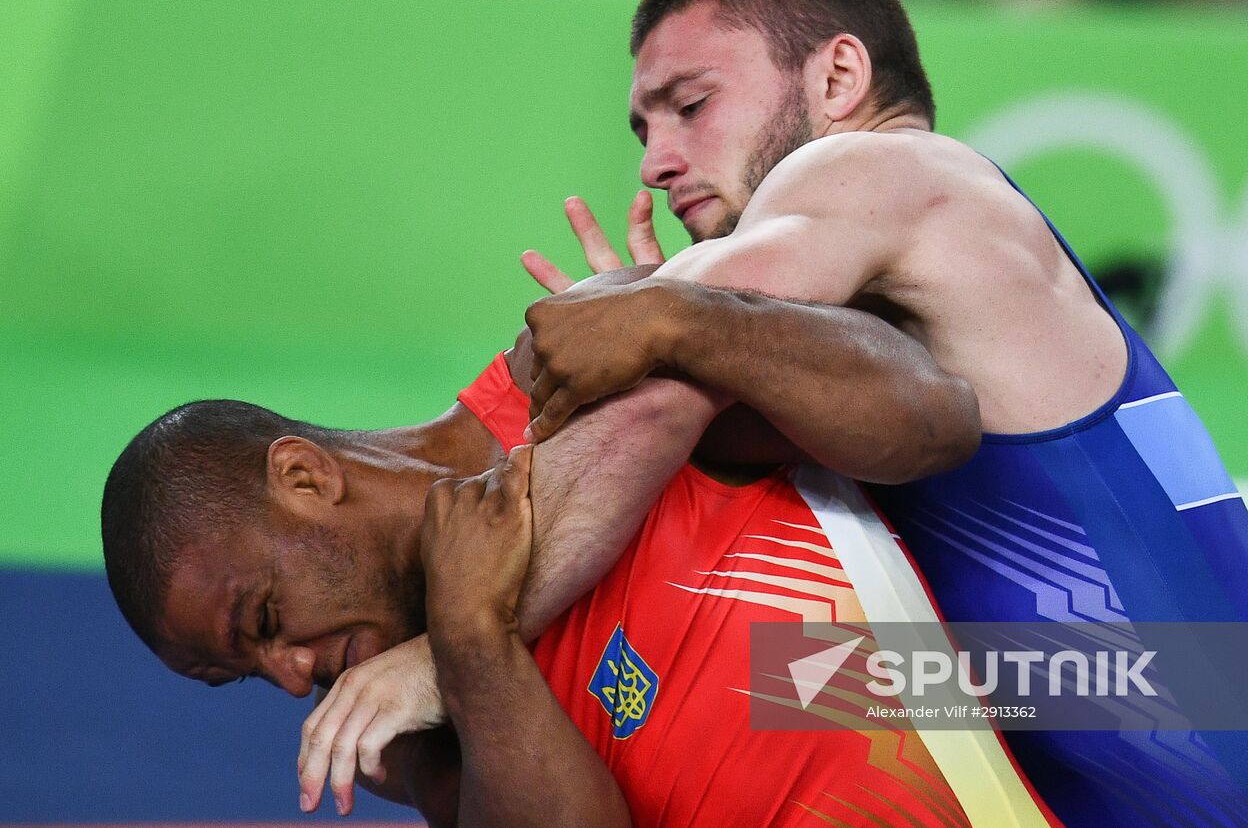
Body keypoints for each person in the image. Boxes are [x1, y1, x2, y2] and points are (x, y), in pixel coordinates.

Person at [509, 0, 1248, 828]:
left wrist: (464, 645)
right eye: (644, 127)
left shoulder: (880, 168)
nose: (655, 162)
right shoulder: (872, 320)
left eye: (690, 105)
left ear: (838, 78)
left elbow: (610, 346)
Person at [103, 315, 1069, 826]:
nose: (294, 675)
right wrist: (471, 647)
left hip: (1090, 715)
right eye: (245, 678)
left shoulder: (576, 376)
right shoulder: (401, 740)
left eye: (265, 620)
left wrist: (697, 318)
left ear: (306, 478)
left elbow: (934, 414)